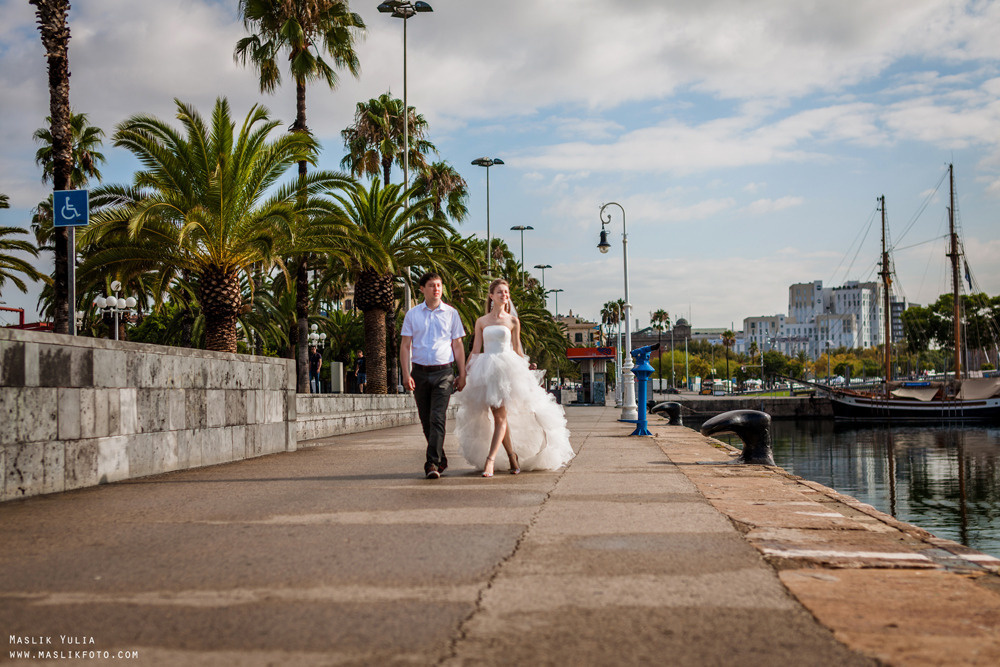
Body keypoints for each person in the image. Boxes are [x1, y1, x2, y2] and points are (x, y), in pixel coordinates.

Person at [456, 279, 574, 477]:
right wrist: (465, 373)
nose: (504, 295)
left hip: (507, 370)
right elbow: (476, 350)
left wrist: (527, 368)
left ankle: (490, 461)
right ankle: (512, 457)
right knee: (499, 416)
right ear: (491, 295)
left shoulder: (512, 321)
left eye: (506, 292)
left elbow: (517, 348)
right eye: (500, 292)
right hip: (486, 370)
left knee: (500, 416)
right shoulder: (482, 321)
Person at [400, 272, 467, 479]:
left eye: (439, 285)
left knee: (437, 417)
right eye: (431, 285)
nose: (436, 288)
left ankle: (432, 464)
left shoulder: (451, 314)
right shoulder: (412, 314)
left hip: (443, 373)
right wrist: (405, 374)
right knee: (426, 421)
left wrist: (462, 373)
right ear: (422, 289)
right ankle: (441, 459)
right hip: (419, 373)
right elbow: (405, 345)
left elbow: (457, 344)